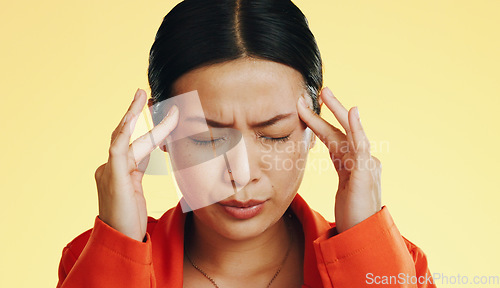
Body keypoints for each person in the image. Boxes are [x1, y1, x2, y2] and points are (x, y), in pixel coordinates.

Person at [56, 0, 436, 287]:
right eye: (207, 137)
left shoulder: (397, 267)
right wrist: (117, 245)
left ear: (314, 129)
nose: (242, 174)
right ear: (161, 129)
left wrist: (363, 244)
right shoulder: (89, 264)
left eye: (274, 135)